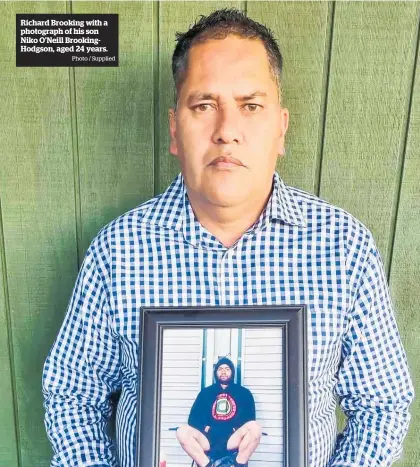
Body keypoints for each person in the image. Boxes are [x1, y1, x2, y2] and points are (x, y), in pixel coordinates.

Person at [42, 8, 414, 467]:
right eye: (204, 106)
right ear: (175, 129)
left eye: (250, 106)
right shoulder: (118, 250)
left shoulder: (343, 247)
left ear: (280, 127)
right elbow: (72, 392)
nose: (227, 132)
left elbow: (382, 404)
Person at [176, 357, 261, 467]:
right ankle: (206, 464)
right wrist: (207, 429)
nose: (224, 371)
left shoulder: (244, 393)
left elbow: (250, 418)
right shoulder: (206, 393)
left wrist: (234, 429)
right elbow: (193, 419)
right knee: (182, 431)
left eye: (227, 369)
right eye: (220, 369)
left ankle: (239, 463)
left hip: (232, 438)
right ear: (215, 372)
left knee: (255, 427)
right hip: (208, 439)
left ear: (232, 372)